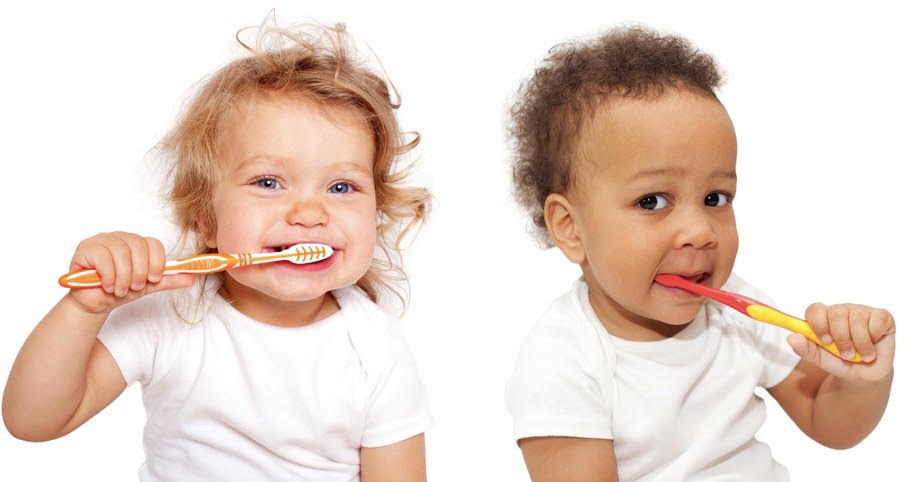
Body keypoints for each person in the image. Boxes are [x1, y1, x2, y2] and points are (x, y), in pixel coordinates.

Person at [2, 22, 431, 481]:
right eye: (268, 183)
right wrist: (83, 309)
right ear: (206, 218)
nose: (310, 212)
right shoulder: (171, 314)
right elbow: (33, 422)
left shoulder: (374, 347)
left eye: (342, 187)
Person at [504, 26, 895, 481]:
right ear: (570, 228)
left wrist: (861, 379)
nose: (699, 231)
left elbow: (830, 424)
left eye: (715, 198)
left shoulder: (737, 310)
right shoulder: (562, 362)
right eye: (652, 201)